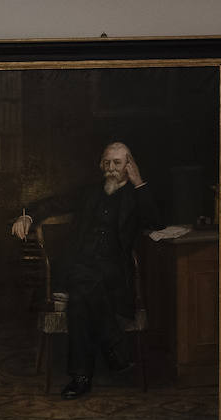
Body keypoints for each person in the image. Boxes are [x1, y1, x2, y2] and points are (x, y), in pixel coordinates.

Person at [10, 142, 160, 399]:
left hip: (114, 271)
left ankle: (81, 377)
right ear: (101, 165)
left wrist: (140, 183)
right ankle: (116, 347)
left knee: (80, 294)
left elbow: (156, 222)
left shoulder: (136, 195)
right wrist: (27, 217)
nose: (111, 168)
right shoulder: (88, 192)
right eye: (107, 162)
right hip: (78, 264)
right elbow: (51, 204)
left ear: (129, 166)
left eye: (118, 163)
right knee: (83, 280)